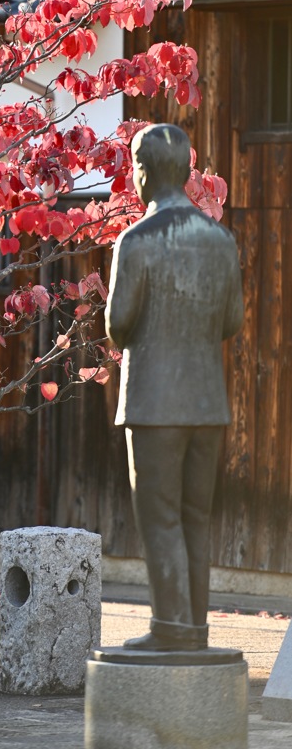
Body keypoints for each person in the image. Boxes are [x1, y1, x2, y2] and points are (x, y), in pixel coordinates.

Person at [105, 123, 243, 652]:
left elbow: (119, 326)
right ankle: (194, 630)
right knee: (195, 518)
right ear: (187, 170)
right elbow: (231, 320)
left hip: (155, 399)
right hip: (207, 400)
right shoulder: (220, 239)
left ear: (143, 172)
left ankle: (171, 630)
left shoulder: (136, 240)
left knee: (160, 516)